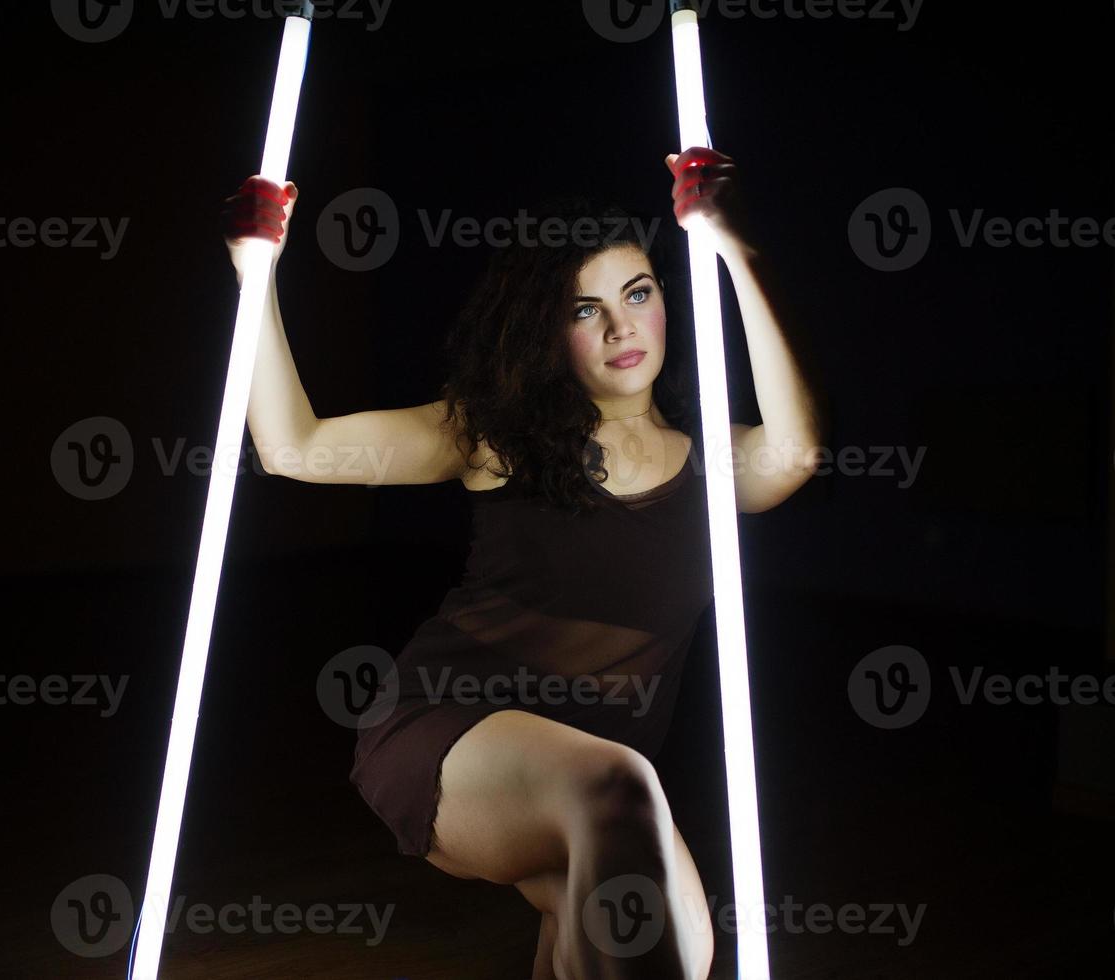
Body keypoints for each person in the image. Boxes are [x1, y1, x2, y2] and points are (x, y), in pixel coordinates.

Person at [223, 148, 822, 980]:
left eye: (638, 295)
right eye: (586, 309)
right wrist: (257, 272)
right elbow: (295, 446)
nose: (621, 329)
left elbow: (794, 451)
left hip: (602, 789)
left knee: (662, 942)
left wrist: (733, 249)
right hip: (450, 731)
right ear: (547, 329)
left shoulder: (709, 467)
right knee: (617, 793)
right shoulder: (493, 436)